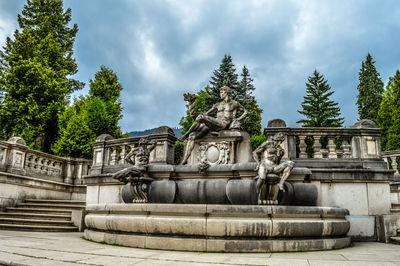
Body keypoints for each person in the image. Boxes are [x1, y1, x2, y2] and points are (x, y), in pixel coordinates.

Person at [179, 86, 248, 165]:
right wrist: (191, 104)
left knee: (201, 117)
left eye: (222, 92)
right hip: (215, 123)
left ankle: (185, 135)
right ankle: (184, 160)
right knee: (192, 136)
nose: (220, 94)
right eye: (220, 92)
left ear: (227, 93)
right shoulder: (218, 105)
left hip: (223, 124)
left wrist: (237, 119)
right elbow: (205, 114)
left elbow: (245, 112)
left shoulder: (234, 103)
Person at [252, 132, 295, 204]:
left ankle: (281, 183)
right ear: (275, 139)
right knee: (262, 178)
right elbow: (254, 152)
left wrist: (280, 154)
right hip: (265, 165)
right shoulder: (267, 143)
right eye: (277, 141)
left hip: (274, 167)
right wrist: (258, 163)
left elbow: (278, 161)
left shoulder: (280, 150)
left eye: (280, 141)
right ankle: (257, 191)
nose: (278, 143)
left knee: (291, 163)